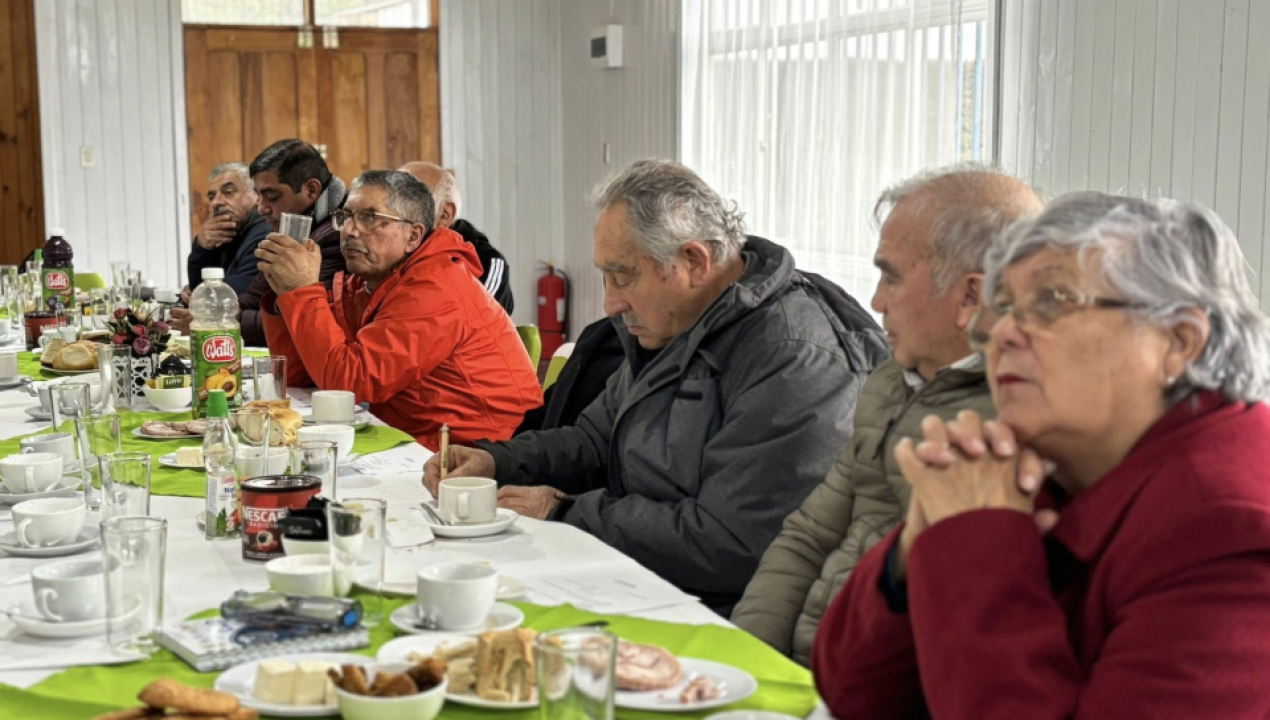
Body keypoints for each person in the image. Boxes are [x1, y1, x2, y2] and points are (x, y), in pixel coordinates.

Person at [813, 192, 1270, 719]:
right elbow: (850, 693)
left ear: (1179, 341)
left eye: (1053, 300)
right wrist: (915, 547)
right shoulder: (1043, 460)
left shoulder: (1231, 527)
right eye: (1004, 307)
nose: (1003, 334)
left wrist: (972, 540)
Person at [424, 159, 889, 614]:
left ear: (693, 261)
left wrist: (566, 513)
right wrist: (496, 462)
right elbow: (594, 440)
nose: (609, 303)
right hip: (649, 580)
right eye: (605, 276)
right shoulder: (676, 321)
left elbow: (732, 544)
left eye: (623, 276)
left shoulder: (792, 355)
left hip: (730, 615)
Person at [731, 166, 1042, 665]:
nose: (875, 301)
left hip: (865, 681)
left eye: (891, 277)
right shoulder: (891, 380)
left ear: (970, 296)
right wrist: (748, 660)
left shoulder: (1019, 424)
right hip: (803, 669)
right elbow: (807, 537)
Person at [256, 169, 541, 450]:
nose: (350, 230)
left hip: (479, 451)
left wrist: (302, 290)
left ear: (413, 236)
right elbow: (302, 375)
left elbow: (350, 383)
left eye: (369, 218)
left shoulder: (436, 286)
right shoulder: (365, 283)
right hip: (418, 437)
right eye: (346, 217)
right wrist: (285, 296)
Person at [217, 139, 346, 347]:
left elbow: (301, 321)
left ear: (311, 190)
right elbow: (253, 296)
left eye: (272, 197)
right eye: (258, 195)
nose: (261, 208)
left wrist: (221, 323)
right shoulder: (290, 227)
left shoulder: (339, 234)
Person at [399, 161, 514, 313]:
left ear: (444, 215)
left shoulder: (486, 262)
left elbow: (475, 321)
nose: (393, 209)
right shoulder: (385, 247)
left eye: (408, 200)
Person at [174, 163, 270, 318]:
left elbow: (232, 296)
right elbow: (199, 285)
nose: (216, 202)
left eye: (228, 192)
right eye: (212, 196)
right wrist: (202, 247)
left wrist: (198, 296)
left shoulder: (265, 233)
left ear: (256, 196)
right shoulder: (229, 231)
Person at [515, 315, 625, 436]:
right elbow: (552, 404)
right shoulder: (595, 334)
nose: (611, 307)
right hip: (549, 440)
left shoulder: (631, 360)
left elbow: (589, 439)